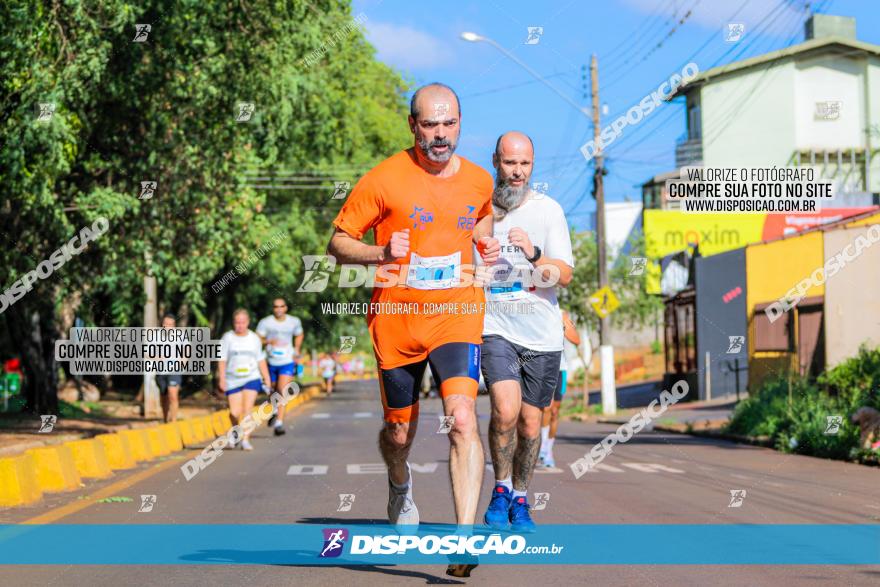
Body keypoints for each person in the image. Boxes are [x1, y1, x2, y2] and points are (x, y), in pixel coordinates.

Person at [327, 82, 499, 578]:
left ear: (460, 123)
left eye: (448, 124)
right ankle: (399, 486)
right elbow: (339, 242)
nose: (440, 135)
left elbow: (481, 221)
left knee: (462, 417)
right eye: (429, 125)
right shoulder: (383, 180)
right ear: (413, 125)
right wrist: (381, 253)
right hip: (397, 318)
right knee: (399, 433)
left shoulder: (479, 181)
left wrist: (484, 252)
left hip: (456, 313)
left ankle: (464, 540)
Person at [479, 131, 574, 533]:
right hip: (496, 326)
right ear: (496, 161)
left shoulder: (549, 210)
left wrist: (534, 253)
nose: (517, 172)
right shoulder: (482, 213)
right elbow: (465, 271)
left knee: (532, 424)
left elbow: (564, 275)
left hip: (542, 333)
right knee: (504, 409)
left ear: (532, 165)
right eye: (509, 163)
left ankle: (520, 496)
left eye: (524, 164)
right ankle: (500, 489)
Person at [217, 308, 272, 451]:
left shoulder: (254, 338)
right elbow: (222, 360)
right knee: (234, 412)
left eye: (242, 322)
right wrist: (221, 379)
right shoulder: (227, 338)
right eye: (237, 322)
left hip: (251, 377)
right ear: (233, 323)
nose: (240, 325)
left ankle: (245, 439)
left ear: (247, 322)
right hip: (232, 378)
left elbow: (260, 360)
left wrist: (266, 378)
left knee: (247, 410)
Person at [539, 309, 581, 469]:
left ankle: (548, 451)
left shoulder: (561, 314)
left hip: (560, 368)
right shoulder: (537, 310)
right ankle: (542, 446)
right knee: (547, 407)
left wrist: (564, 325)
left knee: (555, 411)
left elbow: (576, 340)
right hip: (543, 366)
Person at [256, 298, 304, 436]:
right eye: (276, 306)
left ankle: (279, 423)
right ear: (273, 308)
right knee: (272, 389)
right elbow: (257, 338)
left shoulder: (293, 321)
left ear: (286, 308)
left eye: (281, 306)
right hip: (270, 360)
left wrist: (297, 349)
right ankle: (275, 410)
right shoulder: (265, 322)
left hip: (287, 360)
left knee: (282, 391)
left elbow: (299, 334)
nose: (278, 309)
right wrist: (267, 341)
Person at [156, 313, 182, 423]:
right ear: (163, 325)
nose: (168, 327)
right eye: (166, 324)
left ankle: (174, 421)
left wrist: (182, 361)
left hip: (174, 370)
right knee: (164, 396)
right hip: (161, 371)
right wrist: (156, 357)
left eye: (170, 325)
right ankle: (165, 418)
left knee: (173, 394)